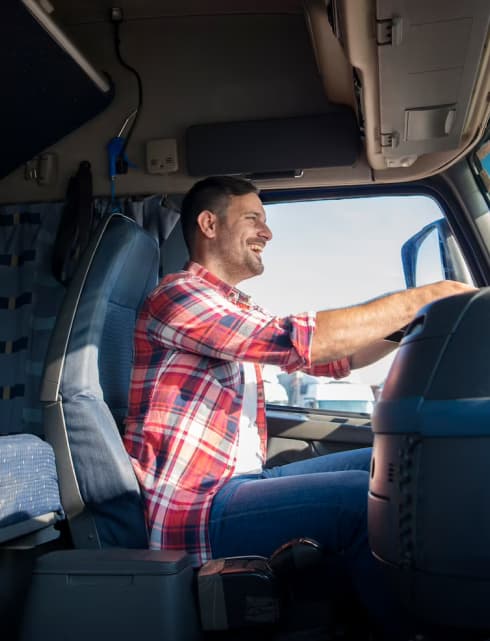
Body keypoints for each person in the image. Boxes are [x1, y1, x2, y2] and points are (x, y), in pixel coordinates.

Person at [124, 176, 472, 637]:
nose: (267, 233)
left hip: (234, 484)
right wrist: (421, 297)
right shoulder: (179, 295)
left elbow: (335, 359)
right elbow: (298, 340)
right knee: (360, 500)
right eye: (253, 219)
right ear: (209, 224)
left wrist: (414, 320)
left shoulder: (230, 306)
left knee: (390, 463)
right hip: (195, 506)